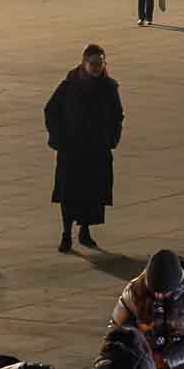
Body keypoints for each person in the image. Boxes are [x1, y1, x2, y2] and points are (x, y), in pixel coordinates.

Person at [45, 44, 123, 253]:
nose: (97, 67)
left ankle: (85, 231)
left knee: (92, 193)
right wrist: (57, 138)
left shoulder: (109, 87)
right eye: (93, 63)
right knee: (69, 193)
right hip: (72, 150)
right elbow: (51, 110)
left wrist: (112, 138)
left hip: (96, 150)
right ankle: (66, 233)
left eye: (100, 63)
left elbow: (117, 115)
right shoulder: (69, 86)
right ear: (84, 63)